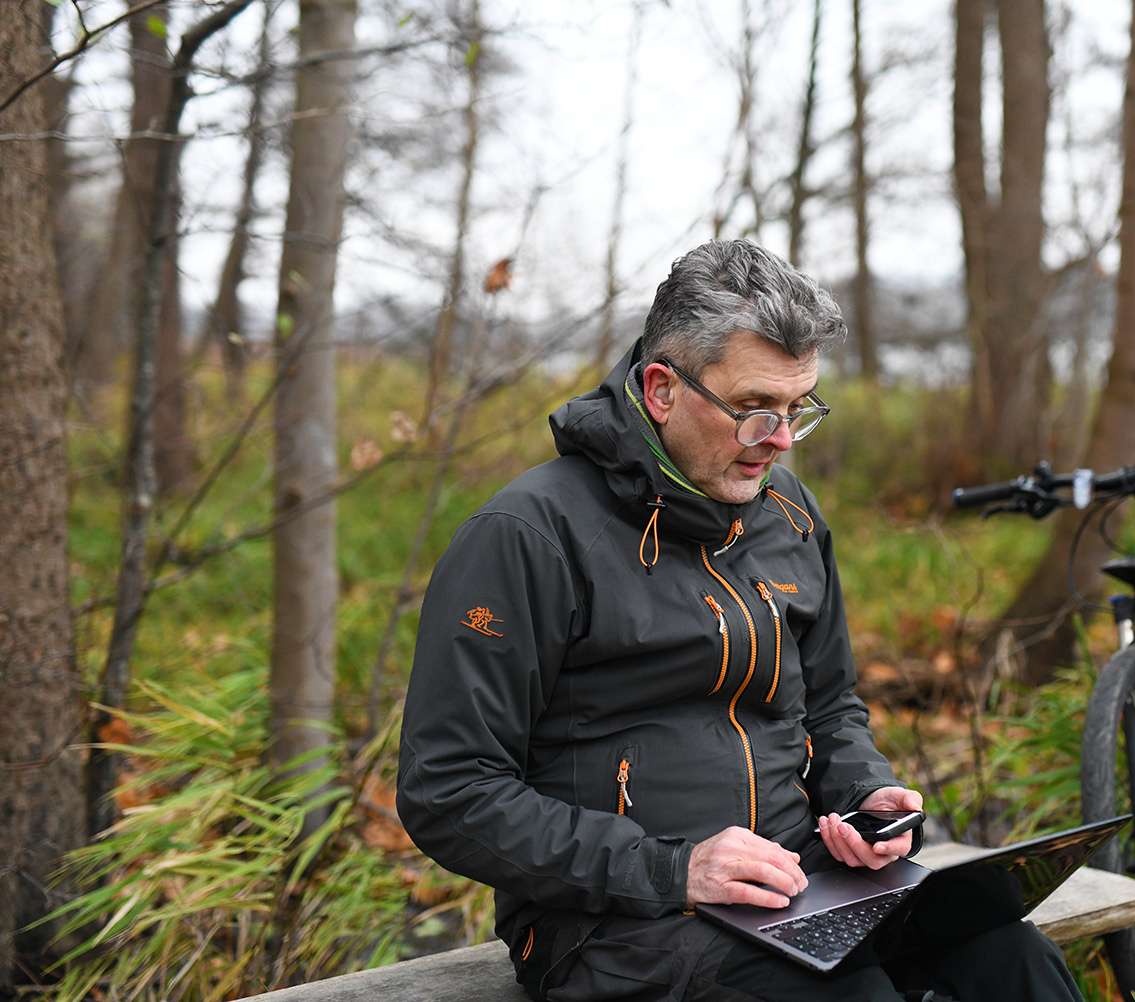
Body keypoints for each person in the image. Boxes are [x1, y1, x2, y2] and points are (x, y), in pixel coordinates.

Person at [396, 239, 1085, 1002]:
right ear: (660, 389)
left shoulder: (788, 513)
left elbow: (829, 706)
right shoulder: (529, 535)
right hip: (611, 921)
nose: (781, 441)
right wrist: (674, 868)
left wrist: (862, 795)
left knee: (1009, 957)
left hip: (798, 886)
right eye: (756, 410)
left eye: (798, 410)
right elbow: (448, 790)